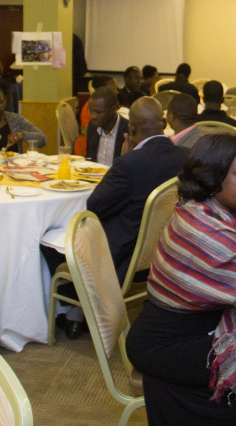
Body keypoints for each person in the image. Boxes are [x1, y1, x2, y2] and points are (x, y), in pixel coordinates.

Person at [125, 134, 236, 426]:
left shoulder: (223, 213)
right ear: (213, 176)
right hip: (167, 343)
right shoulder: (205, 232)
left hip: (200, 326)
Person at [44, 97, 190, 340]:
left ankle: (76, 309)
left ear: (130, 129)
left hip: (123, 259)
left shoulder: (129, 163)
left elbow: (94, 207)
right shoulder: (187, 156)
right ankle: (78, 311)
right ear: (164, 123)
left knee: (48, 242)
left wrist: (118, 162)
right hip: (167, 253)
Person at [86, 86, 129, 165]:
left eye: (98, 112)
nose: (93, 116)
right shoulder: (92, 126)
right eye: (91, 111)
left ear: (113, 109)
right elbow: (90, 159)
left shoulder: (128, 130)